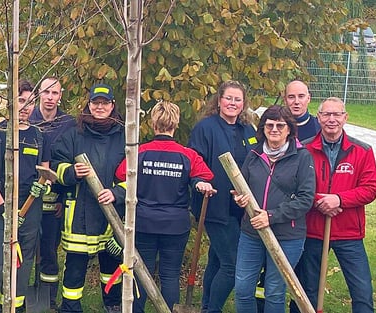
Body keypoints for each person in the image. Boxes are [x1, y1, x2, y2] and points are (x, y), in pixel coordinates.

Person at [115, 100, 215, 313]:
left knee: (141, 272)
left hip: (143, 222)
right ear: (175, 125)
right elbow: (205, 176)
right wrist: (199, 184)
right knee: (170, 274)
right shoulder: (187, 155)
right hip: (175, 225)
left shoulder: (139, 152)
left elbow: (121, 174)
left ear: (153, 124)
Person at [290, 97, 376, 313]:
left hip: (349, 232)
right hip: (313, 230)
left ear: (345, 118)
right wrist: (318, 200)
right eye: (327, 114)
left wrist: (339, 199)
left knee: (362, 292)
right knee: (306, 290)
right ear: (318, 118)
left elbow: (370, 188)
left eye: (337, 114)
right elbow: (292, 186)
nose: (332, 119)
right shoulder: (304, 149)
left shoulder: (362, 151)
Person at [0, 79, 49, 313]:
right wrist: (6, 210)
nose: (26, 107)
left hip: (29, 207)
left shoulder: (38, 136)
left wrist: (42, 187)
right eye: (21, 100)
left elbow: (45, 170)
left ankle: (12, 307)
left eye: (30, 102)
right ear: (10, 102)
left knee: (21, 265)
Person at [231, 105, 315, 313]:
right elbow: (243, 189)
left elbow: (306, 199)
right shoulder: (254, 155)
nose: (274, 129)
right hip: (252, 233)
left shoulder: (302, 157)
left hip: (288, 235)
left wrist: (271, 216)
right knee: (242, 289)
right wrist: (240, 199)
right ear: (263, 128)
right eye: (269, 125)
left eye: (280, 125)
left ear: (289, 129)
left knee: (275, 291)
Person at [51, 83, 125, 313]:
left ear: (113, 105)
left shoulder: (124, 135)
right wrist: (71, 171)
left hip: (110, 212)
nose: (100, 107)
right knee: (75, 264)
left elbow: (133, 173)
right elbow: (55, 165)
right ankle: (71, 307)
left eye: (105, 103)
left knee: (111, 263)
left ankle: (112, 303)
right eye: (96, 103)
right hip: (79, 212)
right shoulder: (74, 132)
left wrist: (117, 192)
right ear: (88, 105)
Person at [188, 80, 257, 312]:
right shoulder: (205, 128)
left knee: (218, 260)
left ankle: (207, 305)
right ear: (219, 101)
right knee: (232, 264)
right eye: (228, 98)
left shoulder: (248, 130)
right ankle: (212, 309)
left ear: (243, 104)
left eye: (238, 100)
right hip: (214, 205)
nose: (232, 103)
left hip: (241, 207)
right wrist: (200, 182)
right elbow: (194, 161)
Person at [30, 76, 76, 307]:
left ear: (61, 95)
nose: (50, 98)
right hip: (27, 198)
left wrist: (63, 197)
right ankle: (17, 293)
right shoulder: (27, 118)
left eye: (55, 93)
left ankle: (47, 299)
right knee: (25, 247)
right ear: (39, 93)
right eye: (46, 92)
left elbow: (69, 163)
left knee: (49, 249)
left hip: (55, 201)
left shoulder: (69, 124)